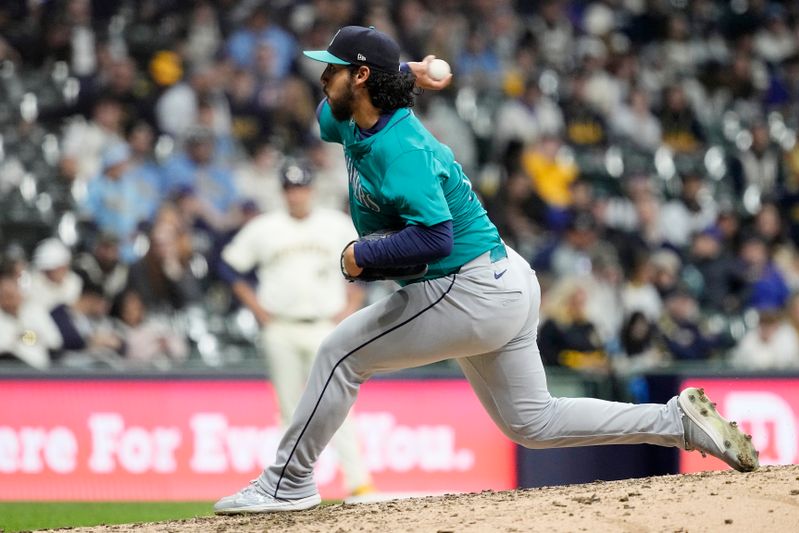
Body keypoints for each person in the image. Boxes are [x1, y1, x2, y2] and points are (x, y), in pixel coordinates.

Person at [214, 26, 759, 514]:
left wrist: (359, 257)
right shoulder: (352, 118)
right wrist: (409, 71)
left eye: (331, 66)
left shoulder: (401, 147)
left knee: (338, 355)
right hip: (505, 278)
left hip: (467, 286)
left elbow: (435, 236)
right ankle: (674, 423)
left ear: (358, 77)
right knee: (533, 423)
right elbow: (333, 111)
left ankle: (288, 483)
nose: (322, 74)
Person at [219, 160, 373, 498]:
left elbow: (367, 264)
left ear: (311, 189)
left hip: (324, 325)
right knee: (288, 409)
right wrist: (257, 308)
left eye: (301, 187)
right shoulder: (265, 227)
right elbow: (229, 267)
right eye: (290, 189)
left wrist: (350, 307)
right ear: (282, 192)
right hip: (281, 327)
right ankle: (289, 485)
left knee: (336, 404)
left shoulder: (335, 223)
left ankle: (358, 483)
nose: (296, 194)